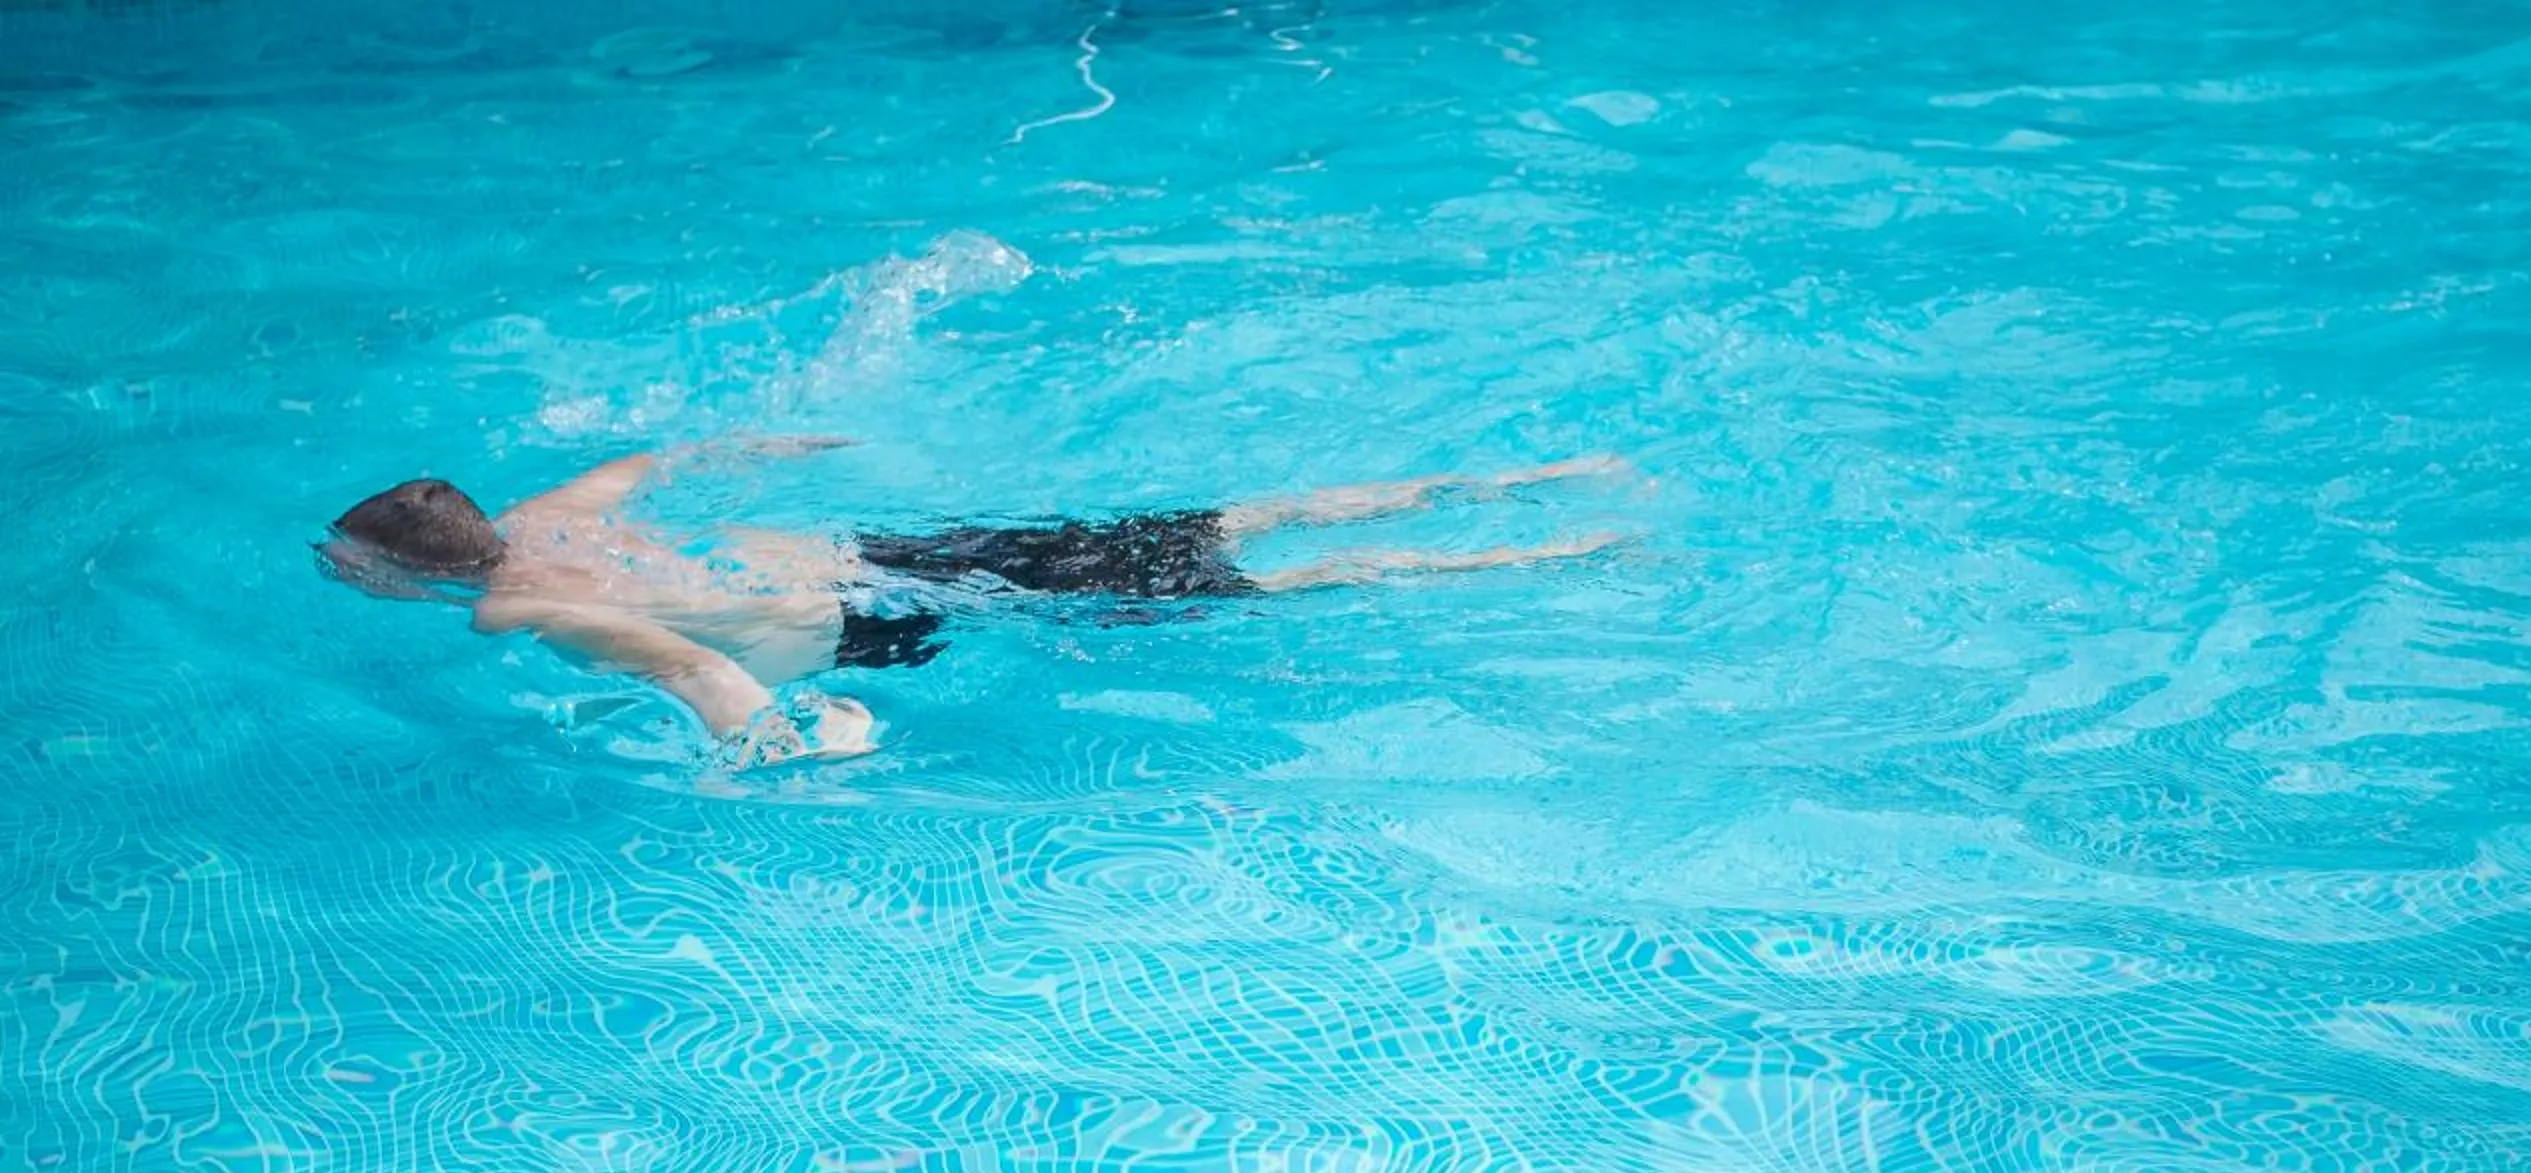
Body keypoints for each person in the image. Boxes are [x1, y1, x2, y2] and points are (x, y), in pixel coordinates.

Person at [316, 440, 1628, 762]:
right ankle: (1529, 482)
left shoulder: (506, 609)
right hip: (880, 539)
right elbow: (660, 460)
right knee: (1197, 529)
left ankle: (1537, 564)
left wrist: (771, 758)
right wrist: (777, 455)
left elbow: (693, 671)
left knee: (1227, 590)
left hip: (885, 614)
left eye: (353, 570)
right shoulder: (549, 512)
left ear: (404, 573)